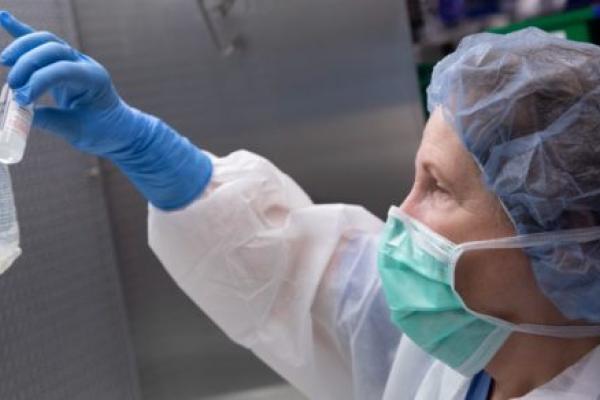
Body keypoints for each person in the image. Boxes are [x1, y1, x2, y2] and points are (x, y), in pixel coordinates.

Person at [0, 10, 599, 400]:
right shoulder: (469, 348)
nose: (401, 215)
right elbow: (308, 282)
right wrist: (144, 147)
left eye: (438, 187)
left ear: (563, 247)